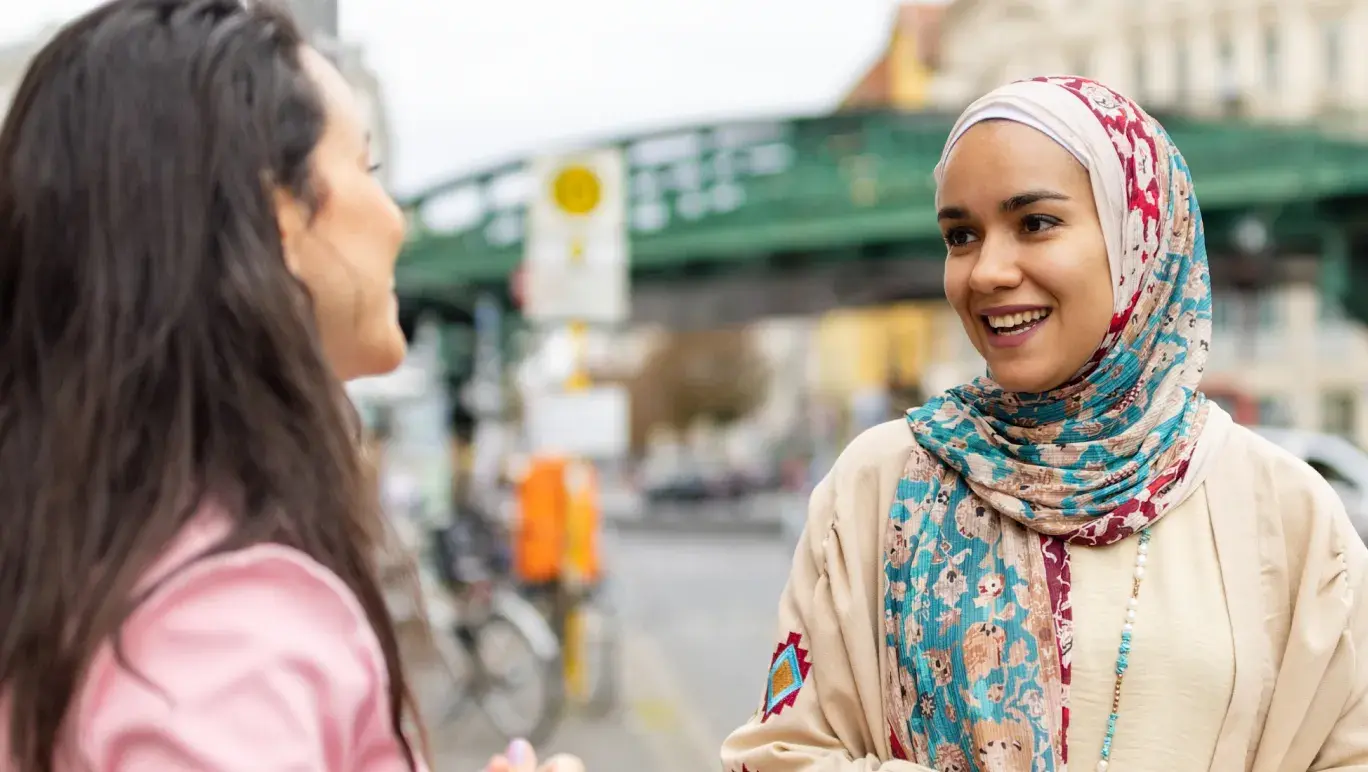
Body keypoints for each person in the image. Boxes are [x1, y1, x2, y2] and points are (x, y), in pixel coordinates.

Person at [0, 1, 584, 770]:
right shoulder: (222, 629)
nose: (396, 219)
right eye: (367, 170)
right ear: (274, 213)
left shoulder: (90, 560)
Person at [722, 76, 1368, 771]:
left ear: (1138, 238)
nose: (987, 272)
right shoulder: (878, 486)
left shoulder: (1283, 511)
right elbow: (776, 755)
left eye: (1035, 223)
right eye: (961, 235)